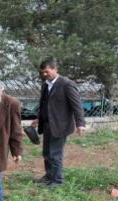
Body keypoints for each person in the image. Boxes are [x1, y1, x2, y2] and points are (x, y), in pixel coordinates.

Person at [31, 59, 86, 189]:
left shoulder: (67, 84)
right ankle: (49, 176)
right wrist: (39, 118)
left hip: (61, 125)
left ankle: (57, 181)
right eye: (42, 72)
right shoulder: (45, 84)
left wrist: (80, 123)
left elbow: (77, 105)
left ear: (55, 69)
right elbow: (44, 104)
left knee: (55, 154)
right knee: (46, 153)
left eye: (47, 71)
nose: (44, 74)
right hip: (47, 124)